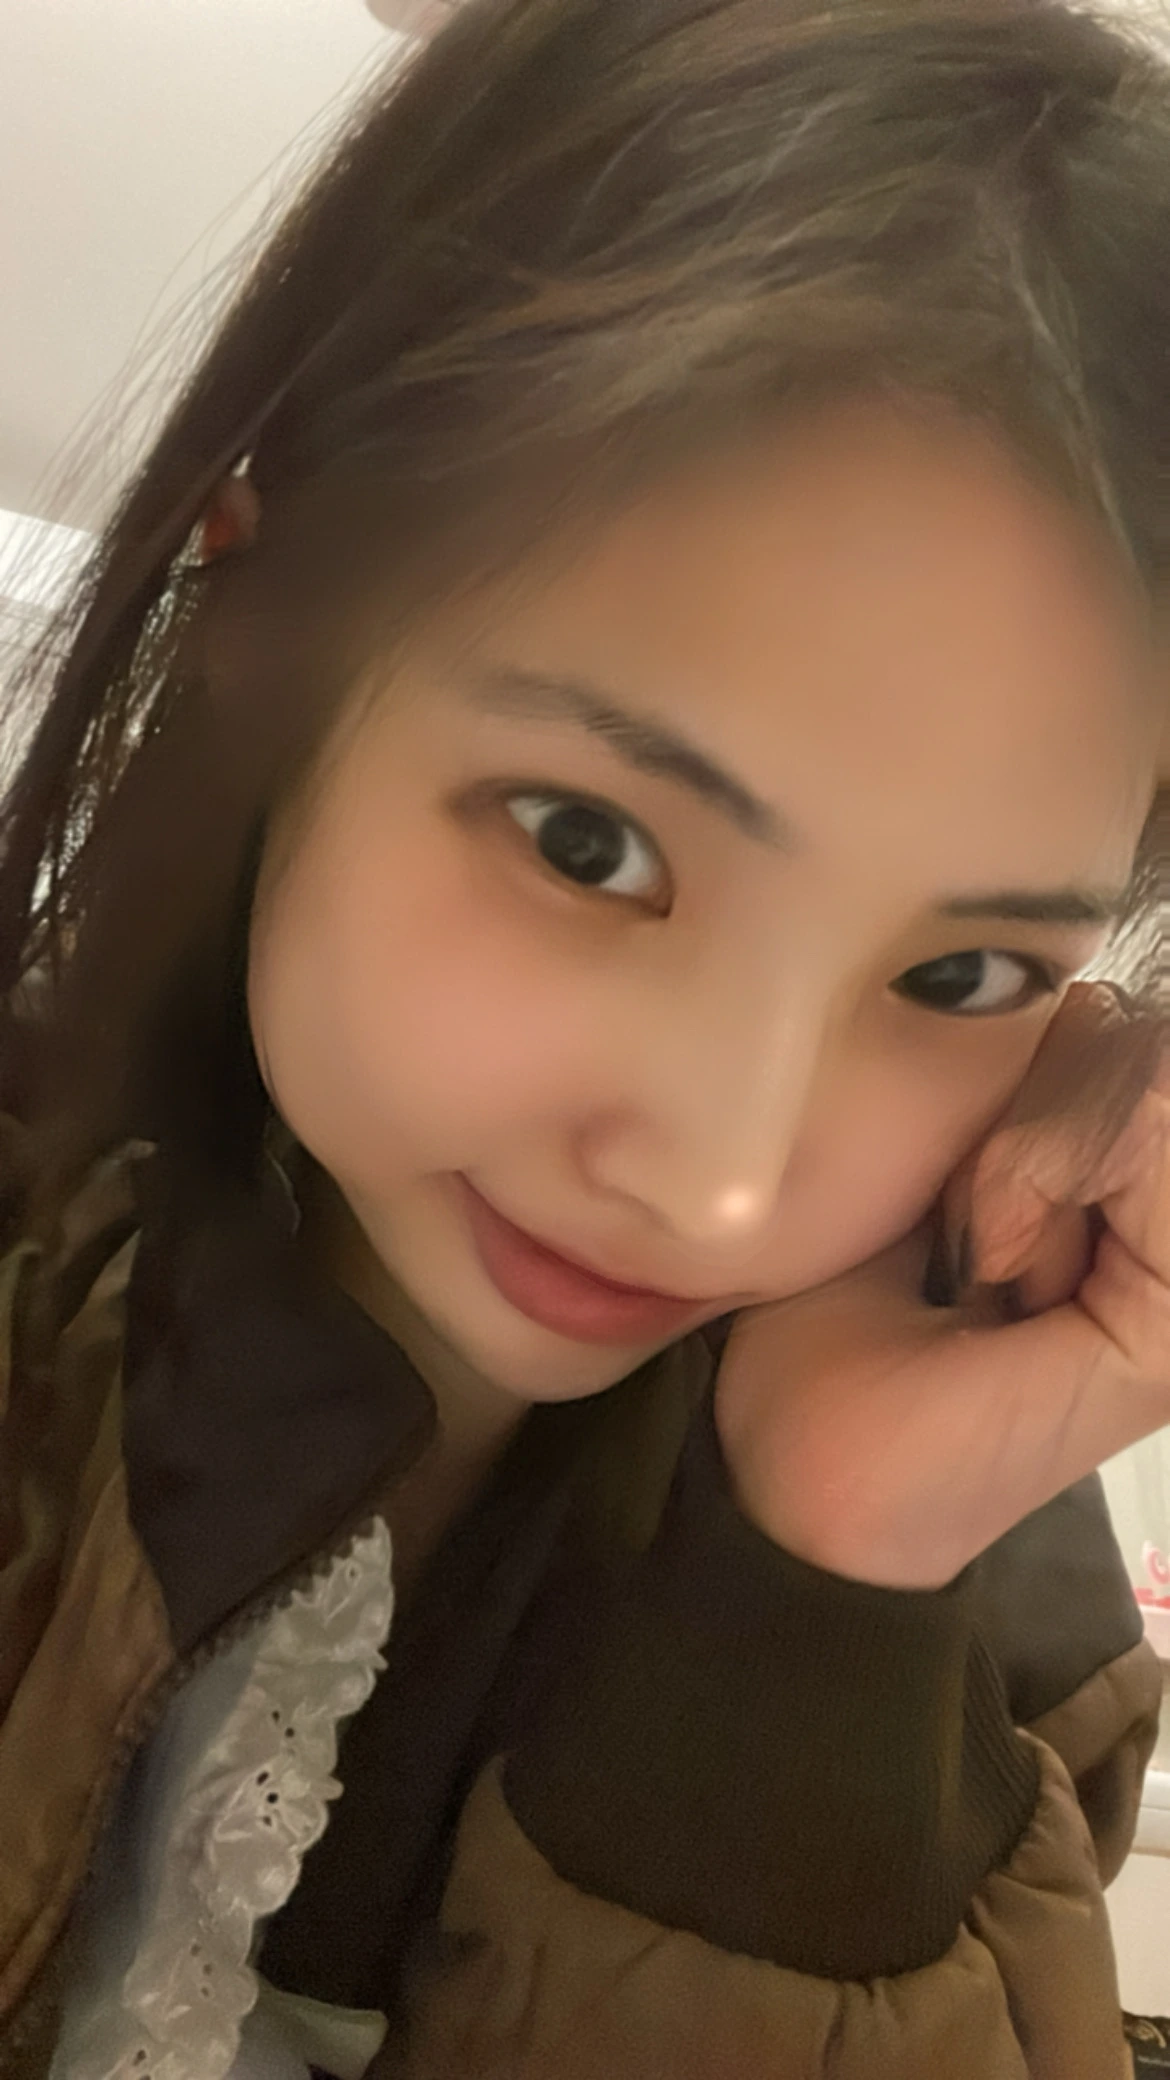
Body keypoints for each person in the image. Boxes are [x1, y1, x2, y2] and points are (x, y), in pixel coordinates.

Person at [2, 0, 1170, 2073]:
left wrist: (817, 1604)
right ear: (262, 606)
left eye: (964, 975)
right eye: (586, 842)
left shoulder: (994, 1620)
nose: (718, 1184)